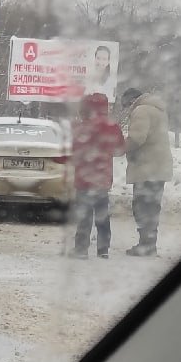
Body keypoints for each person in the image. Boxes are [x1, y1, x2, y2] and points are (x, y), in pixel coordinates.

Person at [68, 92, 125, 259]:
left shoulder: (81, 126)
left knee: (84, 215)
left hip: (84, 178)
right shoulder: (113, 126)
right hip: (103, 178)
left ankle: (81, 250)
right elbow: (120, 149)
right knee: (102, 213)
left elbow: (73, 151)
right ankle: (103, 249)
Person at [120, 87, 173, 256]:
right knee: (152, 207)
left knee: (141, 207)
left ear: (131, 101)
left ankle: (145, 245)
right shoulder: (158, 110)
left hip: (146, 167)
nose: (127, 110)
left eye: (126, 106)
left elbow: (137, 138)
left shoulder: (141, 110)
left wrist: (120, 148)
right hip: (159, 166)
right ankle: (150, 244)